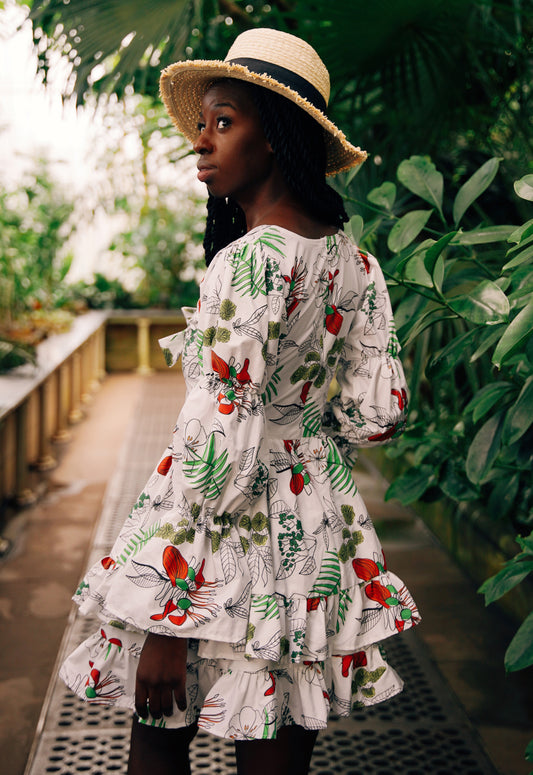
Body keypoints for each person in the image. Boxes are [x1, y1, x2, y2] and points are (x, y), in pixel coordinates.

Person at [60, 28, 420, 775]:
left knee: (157, 743)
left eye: (224, 122)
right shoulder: (355, 262)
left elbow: (216, 442)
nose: (201, 141)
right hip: (314, 532)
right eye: (203, 124)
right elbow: (371, 414)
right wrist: (298, 411)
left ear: (278, 137)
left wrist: (168, 618)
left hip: (215, 549)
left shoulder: (250, 261)